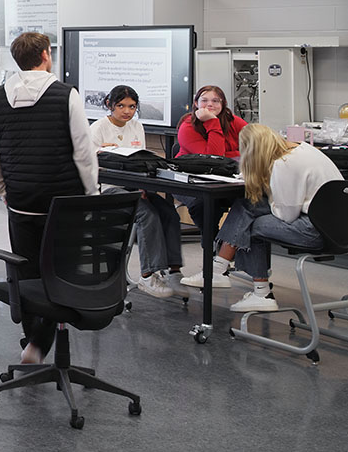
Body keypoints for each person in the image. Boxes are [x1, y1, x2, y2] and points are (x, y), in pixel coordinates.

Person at [0, 32, 98, 364]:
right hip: (65, 204)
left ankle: (34, 341)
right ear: (47, 55)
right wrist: (91, 192)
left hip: (21, 202)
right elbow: (83, 153)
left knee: (27, 273)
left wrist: (3, 189)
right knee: (60, 272)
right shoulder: (65, 95)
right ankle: (44, 341)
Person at [184, 124, 342, 312]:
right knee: (247, 205)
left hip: (316, 231)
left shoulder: (284, 164)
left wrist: (268, 189)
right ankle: (219, 268)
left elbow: (286, 215)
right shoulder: (302, 148)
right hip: (337, 225)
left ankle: (260, 293)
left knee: (251, 222)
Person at [89, 85, 182, 299]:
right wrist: (105, 152)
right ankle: (148, 275)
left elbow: (138, 160)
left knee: (168, 211)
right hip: (108, 190)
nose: (126, 111)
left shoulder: (137, 126)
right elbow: (89, 163)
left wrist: (141, 186)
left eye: (131, 106)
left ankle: (172, 270)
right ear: (109, 105)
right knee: (146, 214)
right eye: (121, 106)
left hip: (135, 185)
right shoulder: (98, 128)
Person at [174, 84, 248, 258]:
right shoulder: (187, 126)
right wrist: (212, 122)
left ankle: (226, 242)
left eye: (216, 101)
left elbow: (254, 145)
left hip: (226, 179)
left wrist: (228, 155)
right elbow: (213, 159)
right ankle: (213, 244)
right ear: (195, 103)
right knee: (203, 204)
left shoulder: (232, 120)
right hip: (190, 178)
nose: (210, 105)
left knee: (250, 200)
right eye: (204, 100)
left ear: (223, 104)